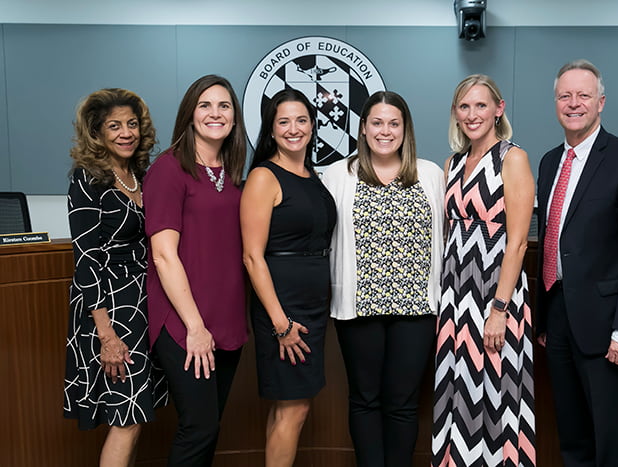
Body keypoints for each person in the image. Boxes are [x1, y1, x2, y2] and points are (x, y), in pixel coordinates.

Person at [536, 59, 618, 467]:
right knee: (573, 439)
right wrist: (545, 320)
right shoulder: (549, 161)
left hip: (609, 328)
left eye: (583, 95)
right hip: (558, 321)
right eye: (565, 95)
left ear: (601, 102)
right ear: (555, 102)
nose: (574, 103)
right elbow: (555, 241)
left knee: (613, 442)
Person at [322, 91, 444, 467]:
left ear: (406, 130)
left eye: (394, 123)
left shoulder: (430, 174)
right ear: (363, 128)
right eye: (377, 122)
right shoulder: (337, 175)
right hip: (359, 309)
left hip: (416, 308)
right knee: (365, 399)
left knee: (403, 404)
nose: (385, 131)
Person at [143, 74, 248, 466]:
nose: (215, 113)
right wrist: (195, 327)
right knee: (199, 427)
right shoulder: (169, 170)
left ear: (235, 118)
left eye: (224, 106)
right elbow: (164, 255)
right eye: (205, 105)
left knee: (209, 427)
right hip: (185, 323)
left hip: (226, 321)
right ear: (189, 114)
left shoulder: (233, 172)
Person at [432, 75, 536, 467]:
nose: (472, 114)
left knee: (497, 391)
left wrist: (498, 308)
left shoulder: (513, 158)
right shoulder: (453, 162)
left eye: (480, 105)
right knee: (458, 388)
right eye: (464, 107)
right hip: (455, 293)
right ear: (455, 114)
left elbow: (519, 242)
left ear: (499, 109)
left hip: (495, 293)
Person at [64, 88, 167, 467]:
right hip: (108, 310)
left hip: (142, 302)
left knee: (136, 413)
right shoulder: (87, 178)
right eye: (114, 126)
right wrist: (106, 335)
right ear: (97, 133)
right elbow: (86, 259)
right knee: (127, 415)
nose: (126, 132)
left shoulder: (139, 174)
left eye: (132, 124)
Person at [240, 88, 336, 467]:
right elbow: (252, 256)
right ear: (271, 129)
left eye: (301, 120)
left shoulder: (311, 175)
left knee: (290, 408)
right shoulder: (264, 176)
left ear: (312, 125)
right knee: (293, 409)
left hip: (312, 306)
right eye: (284, 121)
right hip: (283, 309)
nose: (293, 128)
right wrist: (281, 323)